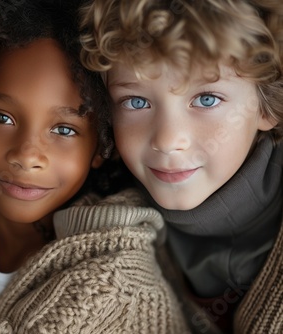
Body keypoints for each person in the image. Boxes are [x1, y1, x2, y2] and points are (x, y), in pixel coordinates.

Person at [0, 1, 188, 333]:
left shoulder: (119, 279)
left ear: (101, 146)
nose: (27, 155)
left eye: (64, 130)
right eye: (2, 118)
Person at [80, 0, 283, 333]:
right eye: (136, 102)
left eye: (206, 99)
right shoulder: (104, 229)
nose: (168, 139)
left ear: (266, 105)